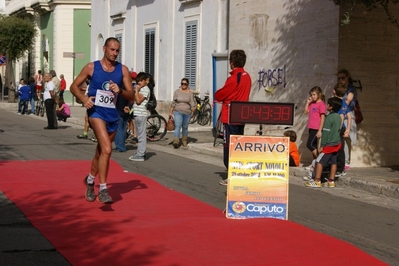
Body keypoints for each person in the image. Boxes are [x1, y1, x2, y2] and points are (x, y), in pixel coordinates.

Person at [70, 37, 134, 204]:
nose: (115, 53)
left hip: (113, 114)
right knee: (107, 149)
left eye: (117, 50)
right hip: (96, 112)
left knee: (100, 152)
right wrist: (84, 99)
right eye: (112, 50)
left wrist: (120, 90)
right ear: (104, 48)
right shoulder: (92, 67)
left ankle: (90, 180)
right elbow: (74, 86)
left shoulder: (123, 70)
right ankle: (104, 189)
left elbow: (132, 95)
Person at [214, 49, 252, 186]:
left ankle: (232, 175)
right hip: (241, 115)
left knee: (228, 147)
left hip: (230, 116)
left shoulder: (234, 77)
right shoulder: (247, 76)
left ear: (232, 63)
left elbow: (220, 95)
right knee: (238, 147)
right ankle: (238, 174)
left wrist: (218, 94)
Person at [305, 97, 342, 188]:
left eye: (328, 104)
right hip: (337, 143)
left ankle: (317, 180)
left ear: (331, 107)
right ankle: (331, 181)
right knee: (333, 162)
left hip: (328, 144)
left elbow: (325, 132)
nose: (326, 106)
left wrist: (322, 145)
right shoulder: (338, 117)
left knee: (319, 161)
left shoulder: (328, 118)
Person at [337, 69, 357, 170]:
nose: (340, 80)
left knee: (346, 138)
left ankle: (346, 161)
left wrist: (339, 99)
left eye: (342, 78)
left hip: (347, 113)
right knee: (340, 138)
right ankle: (340, 160)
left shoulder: (350, 89)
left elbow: (348, 100)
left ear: (347, 77)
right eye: (339, 78)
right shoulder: (338, 87)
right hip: (340, 114)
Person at [128, 72, 150, 162]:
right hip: (137, 113)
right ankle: (140, 152)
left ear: (146, 81)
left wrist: (136, 90)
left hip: (141, 114)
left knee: (141, 135)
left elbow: (138, 101)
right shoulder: (142, 89)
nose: (139, 83)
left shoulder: (145, 89)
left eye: (141, 81)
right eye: (138, 81)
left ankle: (140, 154)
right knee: (139, 134)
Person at [169, 78, 196, 148]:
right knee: (178, 126)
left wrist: (193, 112)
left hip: (187, 112)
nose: (183, 85)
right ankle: (176, 141)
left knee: (185, 127)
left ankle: (184, 140)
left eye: (185, 84)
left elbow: (192, 103)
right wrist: (170, 112)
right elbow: (173, 102)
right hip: (178, 111)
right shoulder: (177, 92)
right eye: (182, 84)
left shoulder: (190, 93)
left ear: (187, 84)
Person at [333, 82, 352, 177]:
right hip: (343, 128)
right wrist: (347, 129)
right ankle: (339, 168)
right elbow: (349, 116)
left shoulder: (337, 103)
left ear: (334, 91)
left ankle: (339, 168)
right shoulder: (344, 103)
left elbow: (340, 116)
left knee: (337, 149)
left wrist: (337, 129)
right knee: (340, 148)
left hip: (337, 129)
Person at [304, 86, 326, 160]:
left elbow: (323, 117)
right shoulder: (312, 103)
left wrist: (320, 130)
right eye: (311, 95)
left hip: (316, 128)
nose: (312, 96)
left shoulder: (321, 104)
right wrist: (307, 103)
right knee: (314, 146)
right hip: (311, 127)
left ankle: (320, 161)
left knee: (309, 145)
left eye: (314, 94)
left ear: (319, 94)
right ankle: (314, 164)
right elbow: (305, 112)